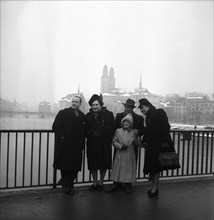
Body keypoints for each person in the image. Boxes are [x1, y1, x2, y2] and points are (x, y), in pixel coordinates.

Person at [138, 98, 174, 198]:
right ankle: (154, 187)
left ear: (148, 105)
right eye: (140, 109)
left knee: (156, 168)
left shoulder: (159, 112)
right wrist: (144, 140)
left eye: (142, 108)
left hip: (158, 145)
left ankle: (155, 188)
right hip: (151, 146)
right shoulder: (149, 116)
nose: (141, 110)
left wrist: (165, 143)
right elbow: (149, 131)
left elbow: (166, 128)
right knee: (152, 168)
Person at [106, 98, 144, 192]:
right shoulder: (119, 116)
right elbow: (114, 128)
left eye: (129, 107)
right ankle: (116, 183)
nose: (127, 108)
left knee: (130, 165)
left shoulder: (139, 118)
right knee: (117, 164)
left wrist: (137, 132)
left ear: (133, 108)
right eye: (126, 106)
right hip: (119, 145)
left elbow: (142, 130)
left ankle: (128, 184)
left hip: (131, 147)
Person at [52, 96, 86, 195]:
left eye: (76, 102)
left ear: (80, 104)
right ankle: (69, 187)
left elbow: (84, 131)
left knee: (74, 168)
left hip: (76, 146)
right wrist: (62, 137)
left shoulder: (82, 116)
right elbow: (55, 126)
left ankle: (65, 182)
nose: (74, 103)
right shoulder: (63, 113)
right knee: (65, 167)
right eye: (73, 101)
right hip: (65, 145)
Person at [86, 94, 114, 191]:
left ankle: (101, 183)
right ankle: (94, 183)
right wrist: (92, 133)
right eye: (93, 105)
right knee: (93, 164)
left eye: (96, 104)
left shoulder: (108, 114)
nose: (94, 106)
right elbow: (85, 130)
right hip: (92, 143)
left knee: (103, 164)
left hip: (104, 143)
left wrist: (102, 133)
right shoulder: (88, 116)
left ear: (101, 105)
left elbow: (111, 128)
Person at [109, 114, 141, 194]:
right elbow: (114, 141)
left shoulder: (133, 132)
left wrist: (138, 142)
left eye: (128, 122)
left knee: (129, 168)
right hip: (120, 152)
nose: (126, 123)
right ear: (122, 123)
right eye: (124, 122)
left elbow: (137, 142)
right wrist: (120, 146)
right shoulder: (118, 130)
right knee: (118, 167)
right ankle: (116, 182)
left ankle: (128, 184)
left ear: (131, 124)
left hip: (129, 153)